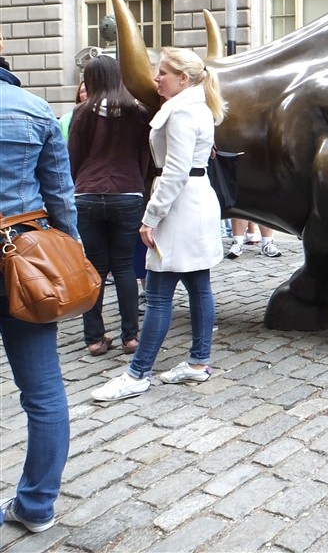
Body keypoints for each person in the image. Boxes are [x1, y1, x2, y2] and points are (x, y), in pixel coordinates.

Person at [91, 47, 227, 401]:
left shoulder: (182, 111)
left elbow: (175, 172)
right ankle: (197, 362)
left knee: (160, 293)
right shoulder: (196, 107)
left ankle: (138, 373)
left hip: (181, 206)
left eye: (163, 72)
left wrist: (150, 217)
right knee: (198, 285)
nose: (156, 78)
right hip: (193, 201)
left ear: (183, 78)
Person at [0, 39, 75, 533]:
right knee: (43, 390)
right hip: (25, 262)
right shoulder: (34, 108)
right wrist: (72, 257)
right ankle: (36, 505)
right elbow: (61, 196)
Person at [68, 56, 151, 355]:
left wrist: (80, 183)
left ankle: (94, 339)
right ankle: (130, 337)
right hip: (127, 192)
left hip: (87, 194)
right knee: (125, 266)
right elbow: (144, 156)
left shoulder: (81, 113)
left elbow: (73, 157)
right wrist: (135, 183)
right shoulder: (137, 112)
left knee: (95, 268)